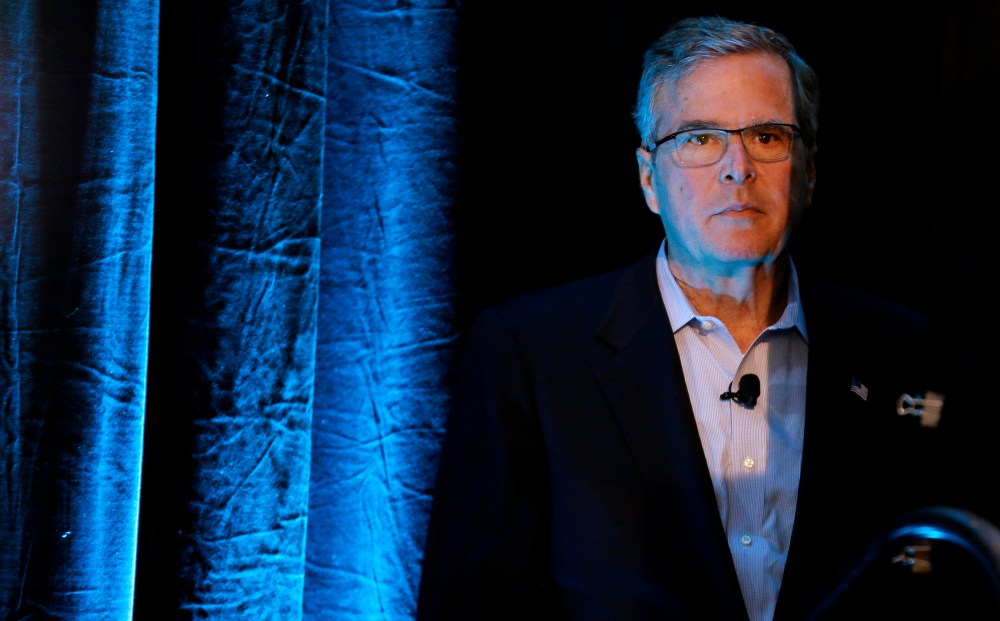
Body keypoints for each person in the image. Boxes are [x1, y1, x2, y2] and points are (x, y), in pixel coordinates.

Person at [417, 15, 955, 621]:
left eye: (768, 136)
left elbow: (932, 585)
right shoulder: (529, 355)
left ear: (808, 173)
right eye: (699, 138)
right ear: (650, 178)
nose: (737, 167)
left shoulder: (901, 351)